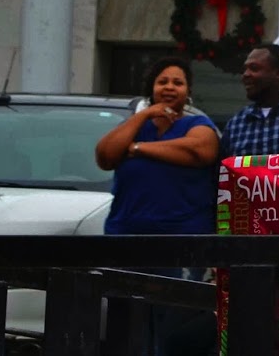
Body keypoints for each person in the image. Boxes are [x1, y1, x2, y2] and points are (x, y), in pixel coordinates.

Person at [93, 56, 219, 356]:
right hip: (126, 238)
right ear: (151, 87)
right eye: (162, 81)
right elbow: (104, 155)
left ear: (188, 90)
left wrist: (137, 149)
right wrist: (144, 115)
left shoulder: (198, 124)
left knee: (171, 324)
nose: (170, 87)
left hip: (180, 243)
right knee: (125, 322)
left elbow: (200, 150)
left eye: (178, 82)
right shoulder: (135, 126)